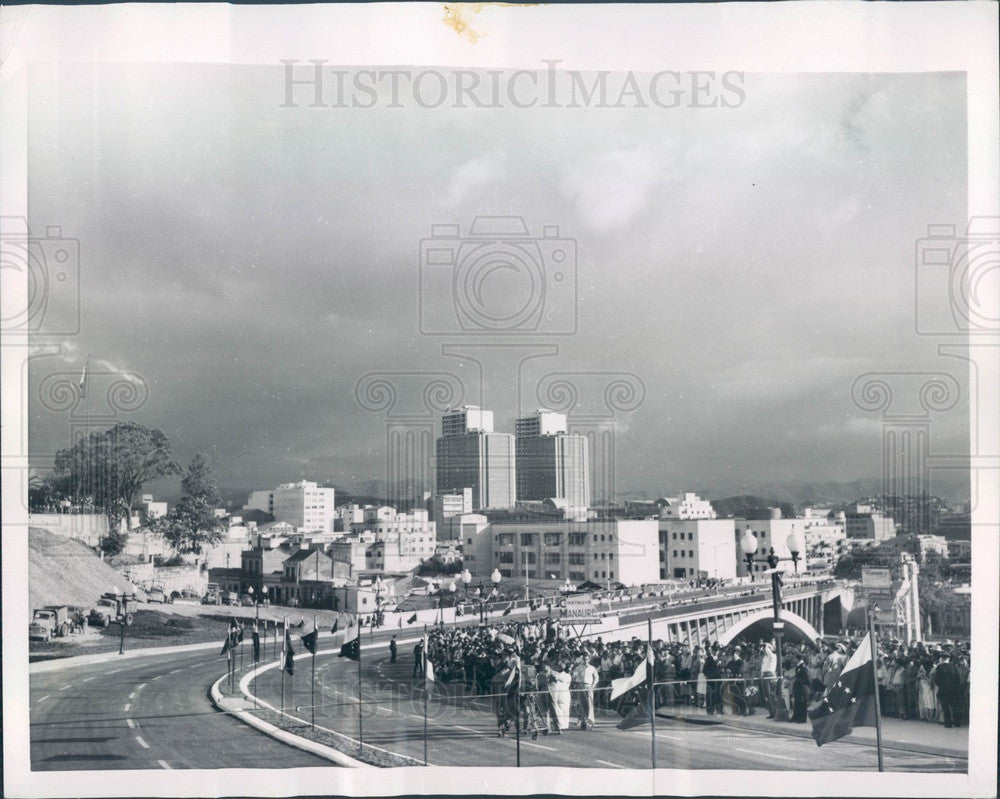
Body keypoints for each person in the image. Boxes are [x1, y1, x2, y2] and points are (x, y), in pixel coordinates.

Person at [932, 652, 961, 728]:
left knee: (946, 707)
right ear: (949, 659)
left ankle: (948, 723)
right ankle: (957, 722)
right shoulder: (954, 667)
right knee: (954, 706)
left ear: (942, 658)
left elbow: (936, 680)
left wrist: (942, 685)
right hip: (954, 690)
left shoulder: (939, 667)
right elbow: (958, 678)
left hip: (944, 690)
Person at [547, 661, 572, 732]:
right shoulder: (555, 673)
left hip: (564, 694)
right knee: (558, 709)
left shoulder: (567, 675)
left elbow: (564, 682)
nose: (558, 668)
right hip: (557, 693)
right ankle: (560, 725)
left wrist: (555, 678)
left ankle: (564, 724)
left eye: (559, 667)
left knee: (564, 709)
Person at [791, 655, 810, 723]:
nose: (793, 660)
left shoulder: (803, 667)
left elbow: (807, 678)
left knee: (802, 702)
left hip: (802, 686)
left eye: (794, 658)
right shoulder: (798, 666)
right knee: (797, 702)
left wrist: (800, 681)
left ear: (798, 659)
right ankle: (796, 716)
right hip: (797, 686)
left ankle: (802, 718)